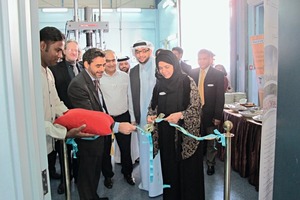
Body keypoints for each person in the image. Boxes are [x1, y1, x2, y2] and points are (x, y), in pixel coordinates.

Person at [68, 48, 136, 200]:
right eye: (98, 65)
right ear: (86, 64)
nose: (103, 68)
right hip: (89, 138)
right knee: (87, 176)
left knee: (92, 175)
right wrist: (118, 126)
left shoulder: (92, 80)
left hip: (100, 132)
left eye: (103, 64)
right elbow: (91, 117)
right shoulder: (78, 85)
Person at [39, 26, 95, 186]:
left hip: (49, 141)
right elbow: (31, 120)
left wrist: (75, 118)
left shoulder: (48, 73)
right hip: (38, 142)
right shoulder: (31, 74)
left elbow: (56, 103)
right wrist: (63, 132)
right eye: (57, 50)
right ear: (43, 46)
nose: (59, 55)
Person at [147, 49, 204, 200]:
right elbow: (153, 106)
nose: (164, 71)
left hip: (185, 137)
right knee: (170, 172)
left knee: (188, 175)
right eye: (161, 68)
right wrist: (151, 116)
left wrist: (181, 115)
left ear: (174, 64)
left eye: (167, 67)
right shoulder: (159, 85)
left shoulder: (187, 82)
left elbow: (196, 108)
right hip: (166, 137)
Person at [128, 40, 163, 197]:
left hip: (158, 118)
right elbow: (130, 95)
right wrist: (132, 117)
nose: (141, 54)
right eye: (138, 52)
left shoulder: (159, 67)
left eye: (144, 51)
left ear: (150, 51)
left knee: (158, 152)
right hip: (141, 119)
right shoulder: (133, 71)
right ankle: (147, 184)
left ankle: (159, 185)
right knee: (144, 150)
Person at [49, 39, 83, 194]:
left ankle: (77, 176)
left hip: (80, 116)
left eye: (76, 50)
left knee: (79, 151)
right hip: (63, 115)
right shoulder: (54, 69)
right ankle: (65, 180)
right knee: (64, 150)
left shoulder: (82, 67)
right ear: (64, 51)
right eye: (71, 50)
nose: (74, 53)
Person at [189, 49, 225, 176]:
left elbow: (220, 97)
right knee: (195, 138)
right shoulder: (192, 73)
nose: (201, 61)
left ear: (210, 59)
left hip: (210, 113)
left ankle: (210, 164)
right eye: (199, 59)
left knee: (211, 140)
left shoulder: (218, 75)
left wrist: (217, 116)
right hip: (194, 112)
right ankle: (195, 163)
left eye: (204, 58)